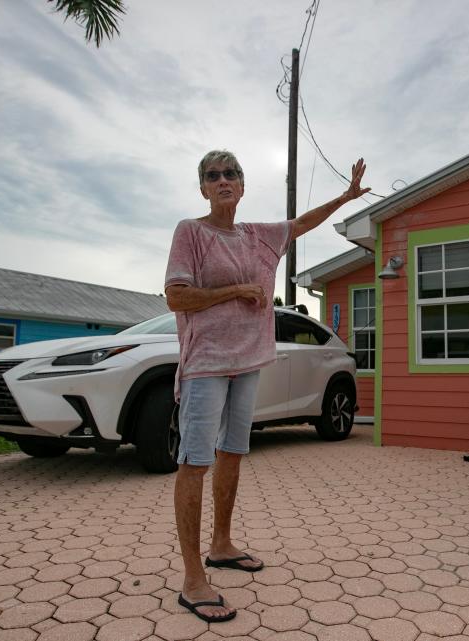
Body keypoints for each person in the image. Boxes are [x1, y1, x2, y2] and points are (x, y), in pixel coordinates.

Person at [164, 149, 369, 623]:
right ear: (202, 188)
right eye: (212, 176)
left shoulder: (258, 236)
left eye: (230, 173)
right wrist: (234, 291)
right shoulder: (191, 232)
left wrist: (347, 195)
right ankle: (193, 578)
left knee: (233, 451)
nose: (222, 181)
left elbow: (302, 223)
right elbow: (176, 296)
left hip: (249, 361)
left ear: (242, 184)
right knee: (195, 462)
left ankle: (221, 545)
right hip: (206, 363)